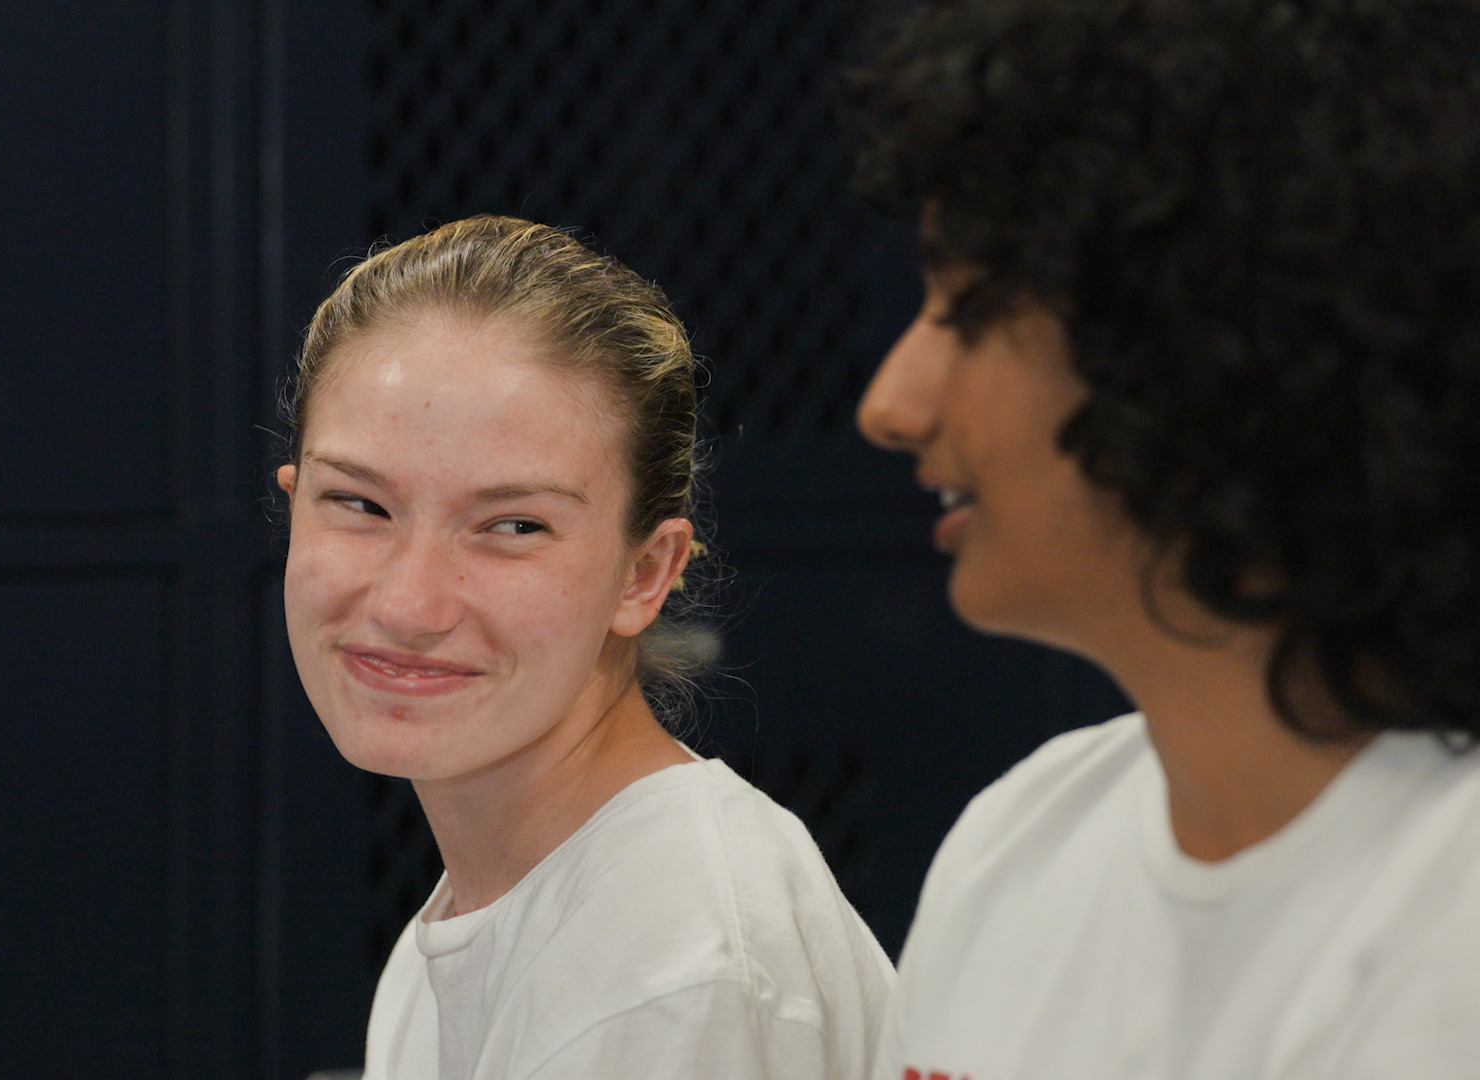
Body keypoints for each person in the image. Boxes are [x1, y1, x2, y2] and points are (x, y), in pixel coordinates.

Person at [846, 0, 1480, 1077]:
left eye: (964, 308)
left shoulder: (1446, 912)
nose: (889, 405)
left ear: (1200, 334)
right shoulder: (1018, 840)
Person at [276, 215, 892, 1078]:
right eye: (361, 506)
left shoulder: (671, 965)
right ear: (294, 502)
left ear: (645, 573)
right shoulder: (473, 926)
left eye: (513, 526)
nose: (409, 603)